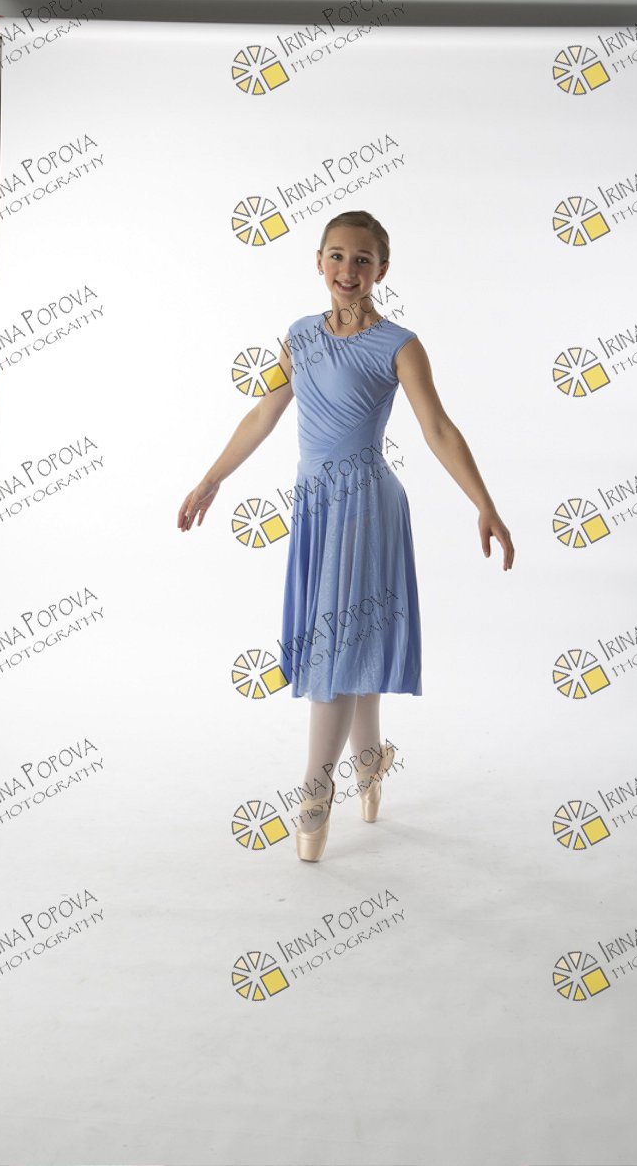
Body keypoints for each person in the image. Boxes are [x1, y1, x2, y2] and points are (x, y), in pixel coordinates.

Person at [177, 210, 514, 862]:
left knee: (336, 646)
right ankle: (370, 759)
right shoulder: (300, 335)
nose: (348, 270)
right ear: (318, 261)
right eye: (336, 256)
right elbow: (264, 412)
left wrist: (485, 503)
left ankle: (314, 790)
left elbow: (438, 428)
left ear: (382, 269)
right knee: (346, 642)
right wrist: (212, 478)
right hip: (315, 508)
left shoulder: (399, 344)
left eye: (362, 259)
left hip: (365, 508)